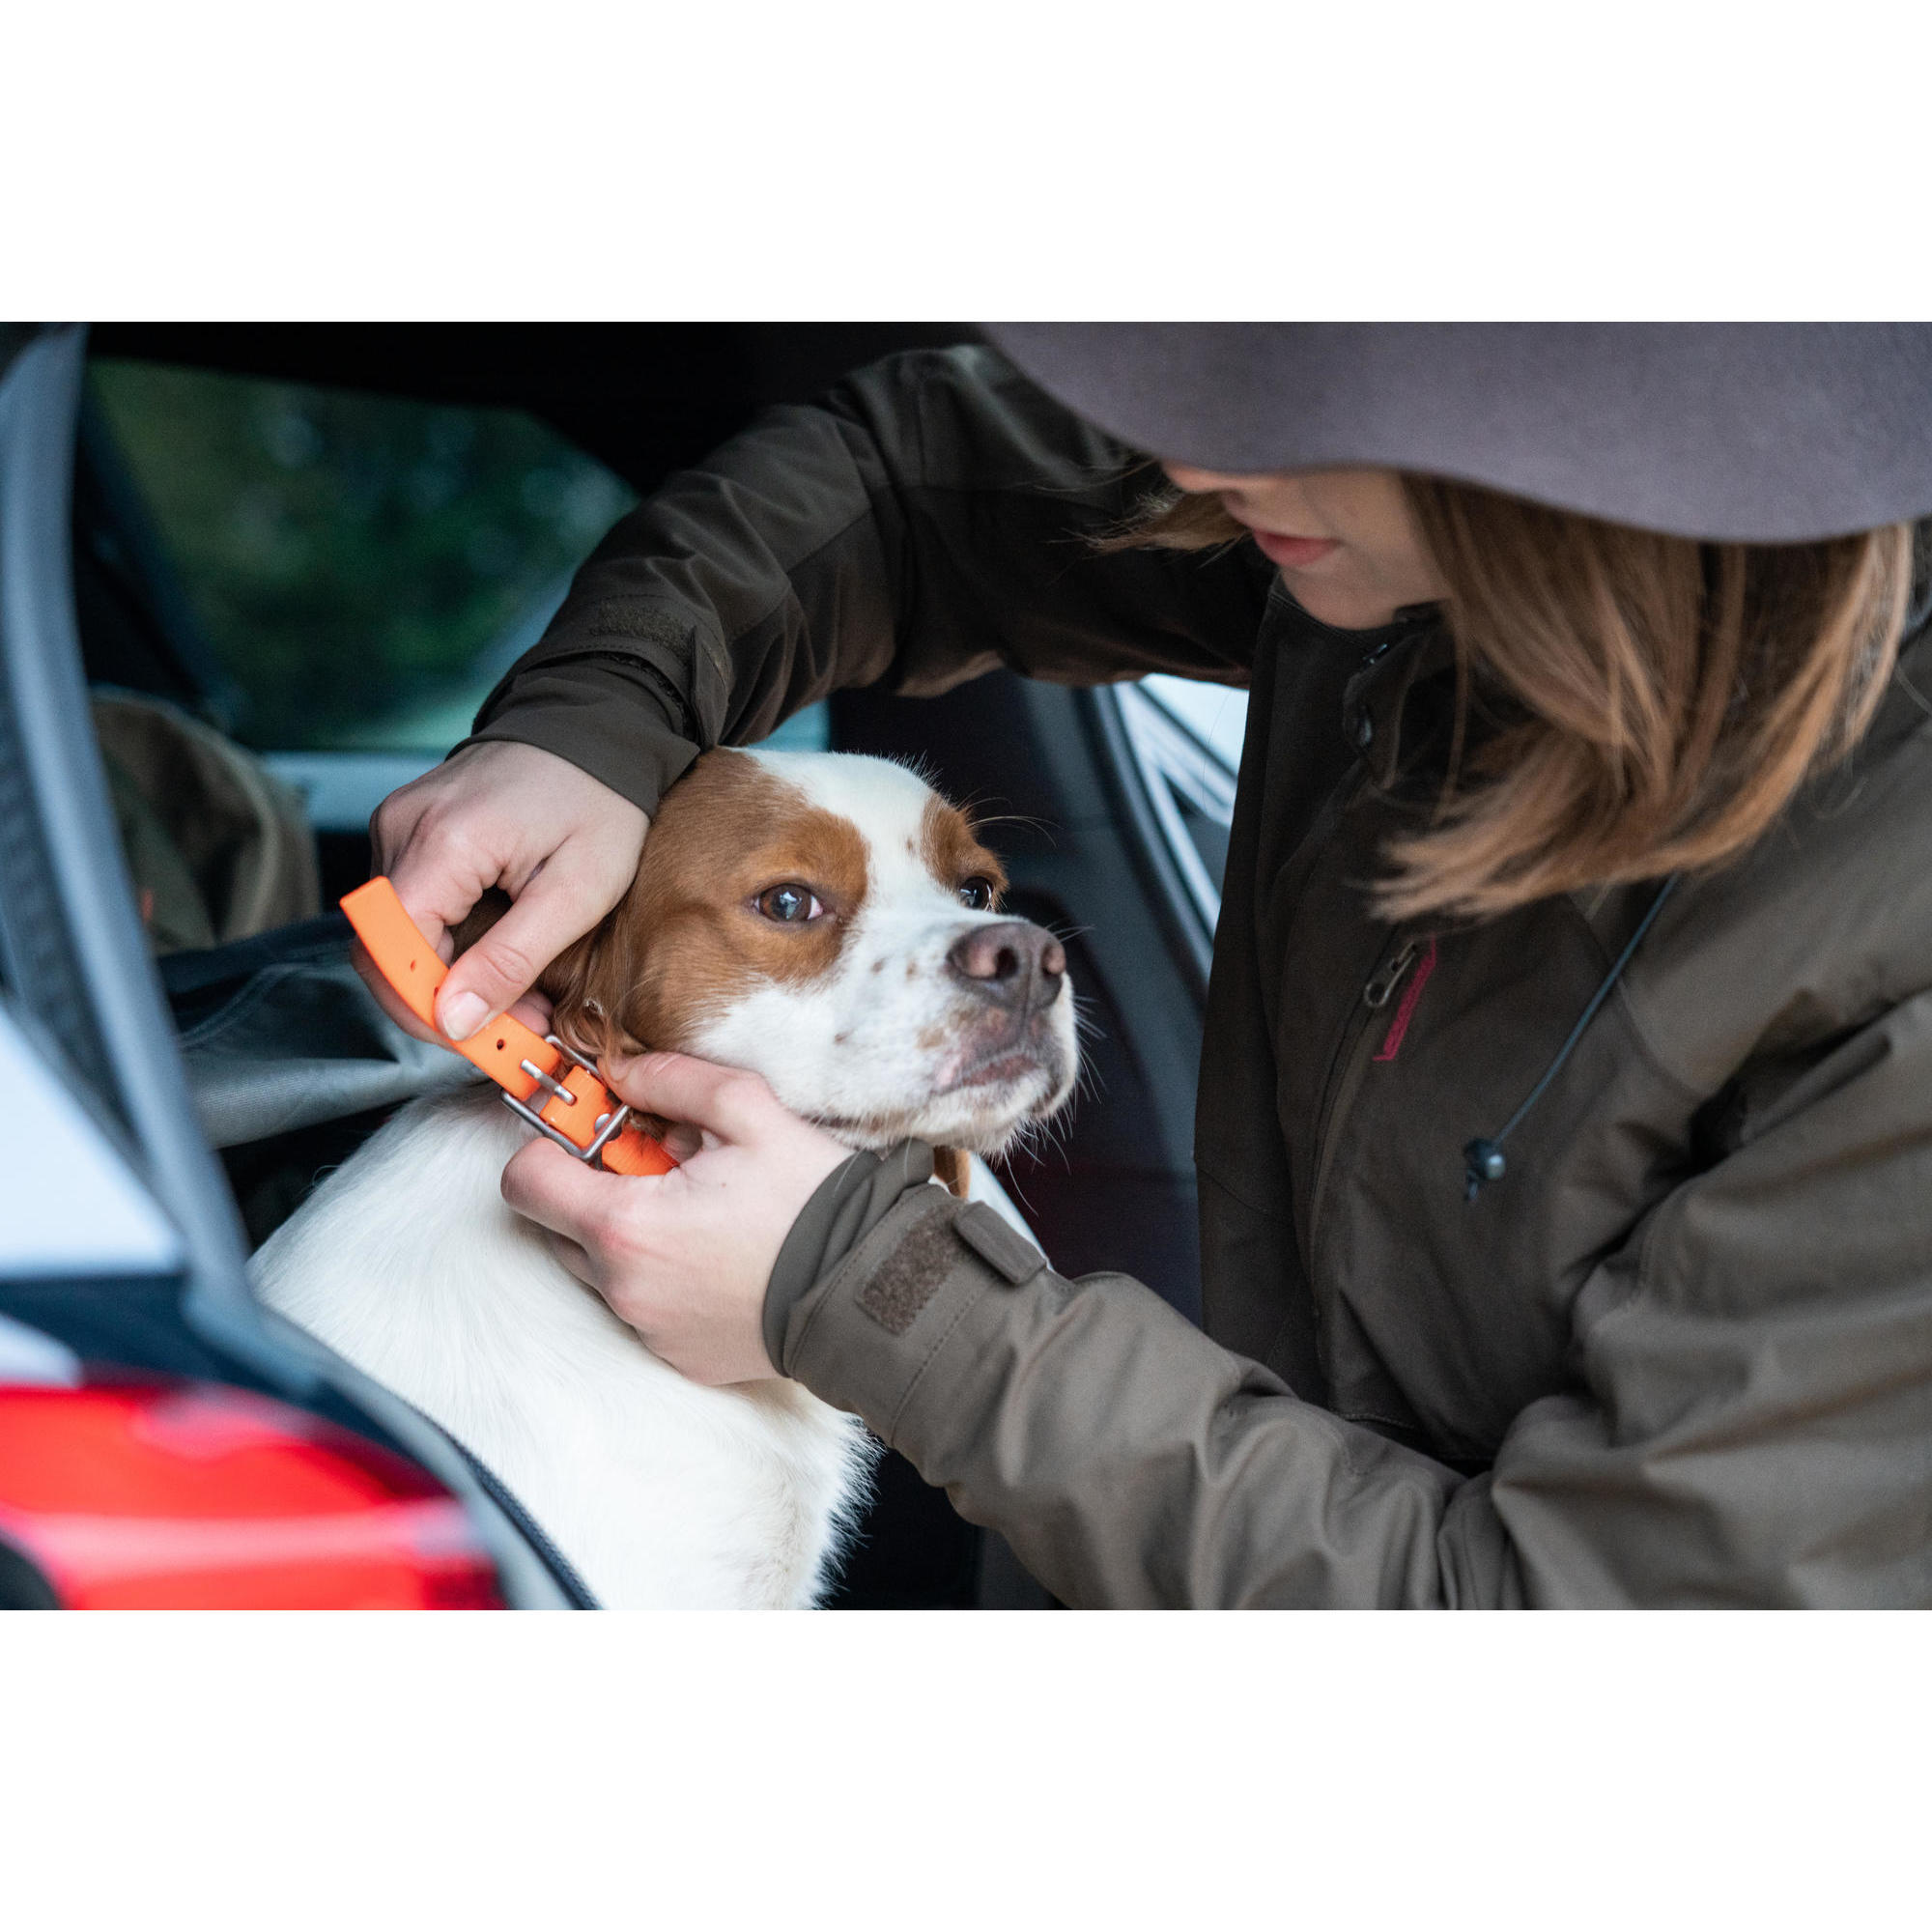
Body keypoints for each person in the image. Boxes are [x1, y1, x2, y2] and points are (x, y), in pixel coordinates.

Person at [365, 325, 1932, 1606]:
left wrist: (864, 1287)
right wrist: (594, 721)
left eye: (1306, 388)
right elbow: (912, 481)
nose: (1192, 452)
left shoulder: (1888, 949)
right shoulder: (1365, 530)